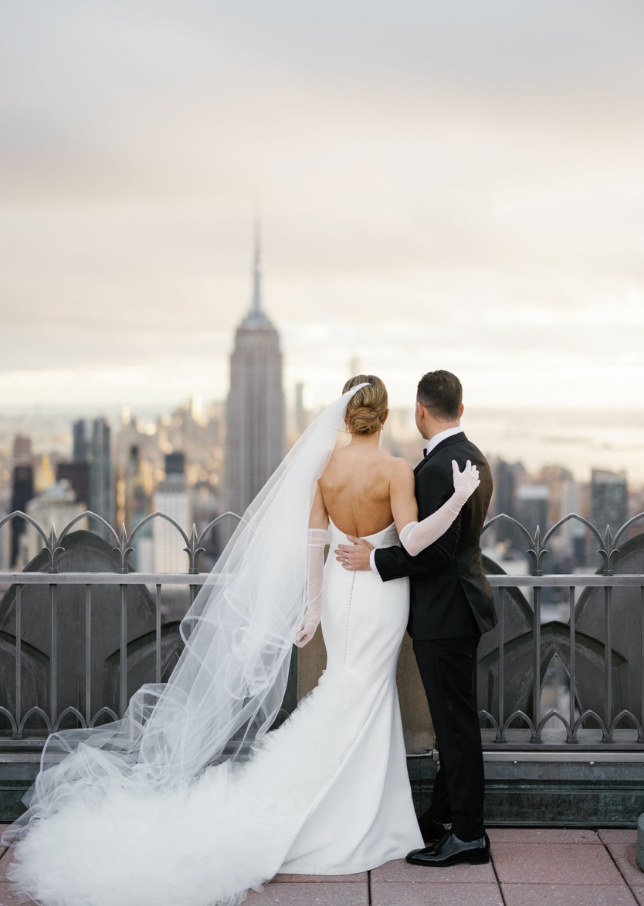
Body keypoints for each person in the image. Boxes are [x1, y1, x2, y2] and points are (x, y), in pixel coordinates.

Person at [3, 375, 480, 906]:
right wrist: (457, 500)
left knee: (347, 686)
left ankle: (362, 809)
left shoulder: (324, 469)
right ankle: (360, 817)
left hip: (340, 590)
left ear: (344, 417)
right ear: (387, 417)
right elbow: (412, 540)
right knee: (366, 692)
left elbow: (315, 540)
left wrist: (314, 607)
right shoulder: (396, 471)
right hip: (379, 594)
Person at [336, 370, 497, 867]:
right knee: (455, 722)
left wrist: (376, 561)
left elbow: (431, 550)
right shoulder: (476, 459)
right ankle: (444, 814)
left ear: (421, 411)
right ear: (461, 409)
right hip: (462, 606)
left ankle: (468, 834)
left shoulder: (436, 469)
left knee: (455, 729)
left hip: (443, 614)